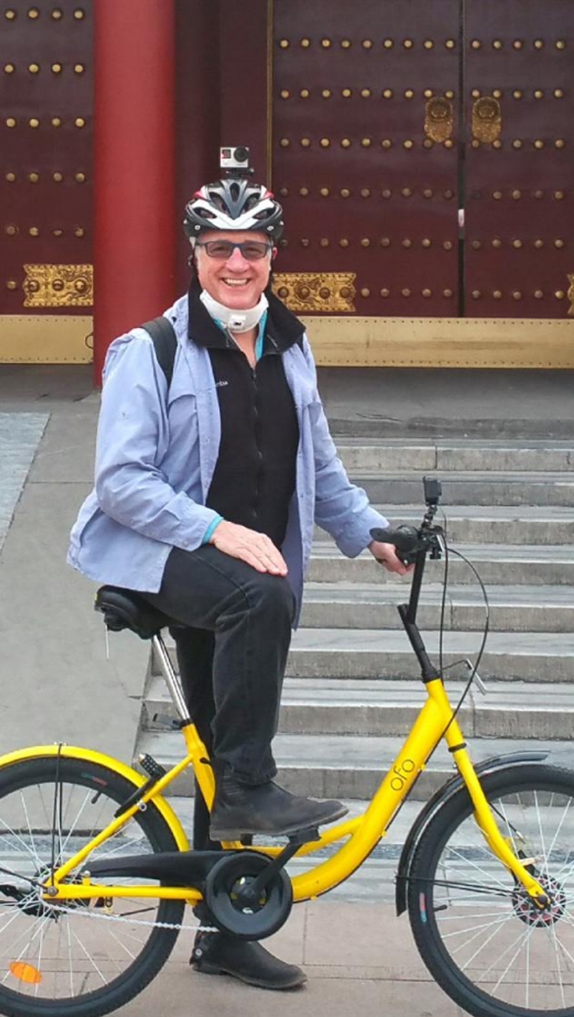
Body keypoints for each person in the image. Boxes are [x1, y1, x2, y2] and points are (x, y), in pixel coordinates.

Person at [68, 175, 408, 991]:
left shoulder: (290, 345)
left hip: (243, 575)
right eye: (219, 247)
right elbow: (121, 481)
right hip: (168, 557)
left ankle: (222, 930)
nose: (235, 263)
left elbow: (317, 465)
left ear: (272, 257)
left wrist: (372, 532)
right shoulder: (151, 349)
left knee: (227, 739)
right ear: (195, 255)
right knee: (260, 604)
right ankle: (251, 789)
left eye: (251, 248)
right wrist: (216, 529)